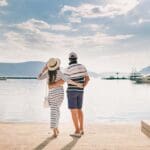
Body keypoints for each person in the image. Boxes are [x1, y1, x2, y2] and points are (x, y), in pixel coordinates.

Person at [38, 58, 83, 137]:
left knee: (53, 111)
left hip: (52, 93)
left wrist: (43, 69)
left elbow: (39, 78)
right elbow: (68, 80)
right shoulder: (59, 72)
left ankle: (54, 130)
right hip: (60, 94)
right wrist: (77, 84)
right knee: (57, 111)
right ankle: (56, 127)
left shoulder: (48, 73)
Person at [64, 52, 90, 137]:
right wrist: (82, 86)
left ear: (69, 59)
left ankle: (77, 131)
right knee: (79, 109)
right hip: (80, 91)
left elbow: (66, 80)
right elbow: (87, 79)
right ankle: (81, 129)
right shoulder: (82, 66)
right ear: (76, 58)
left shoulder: (68, 68)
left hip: (71, 91)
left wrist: (75, 85)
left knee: (73, 111)